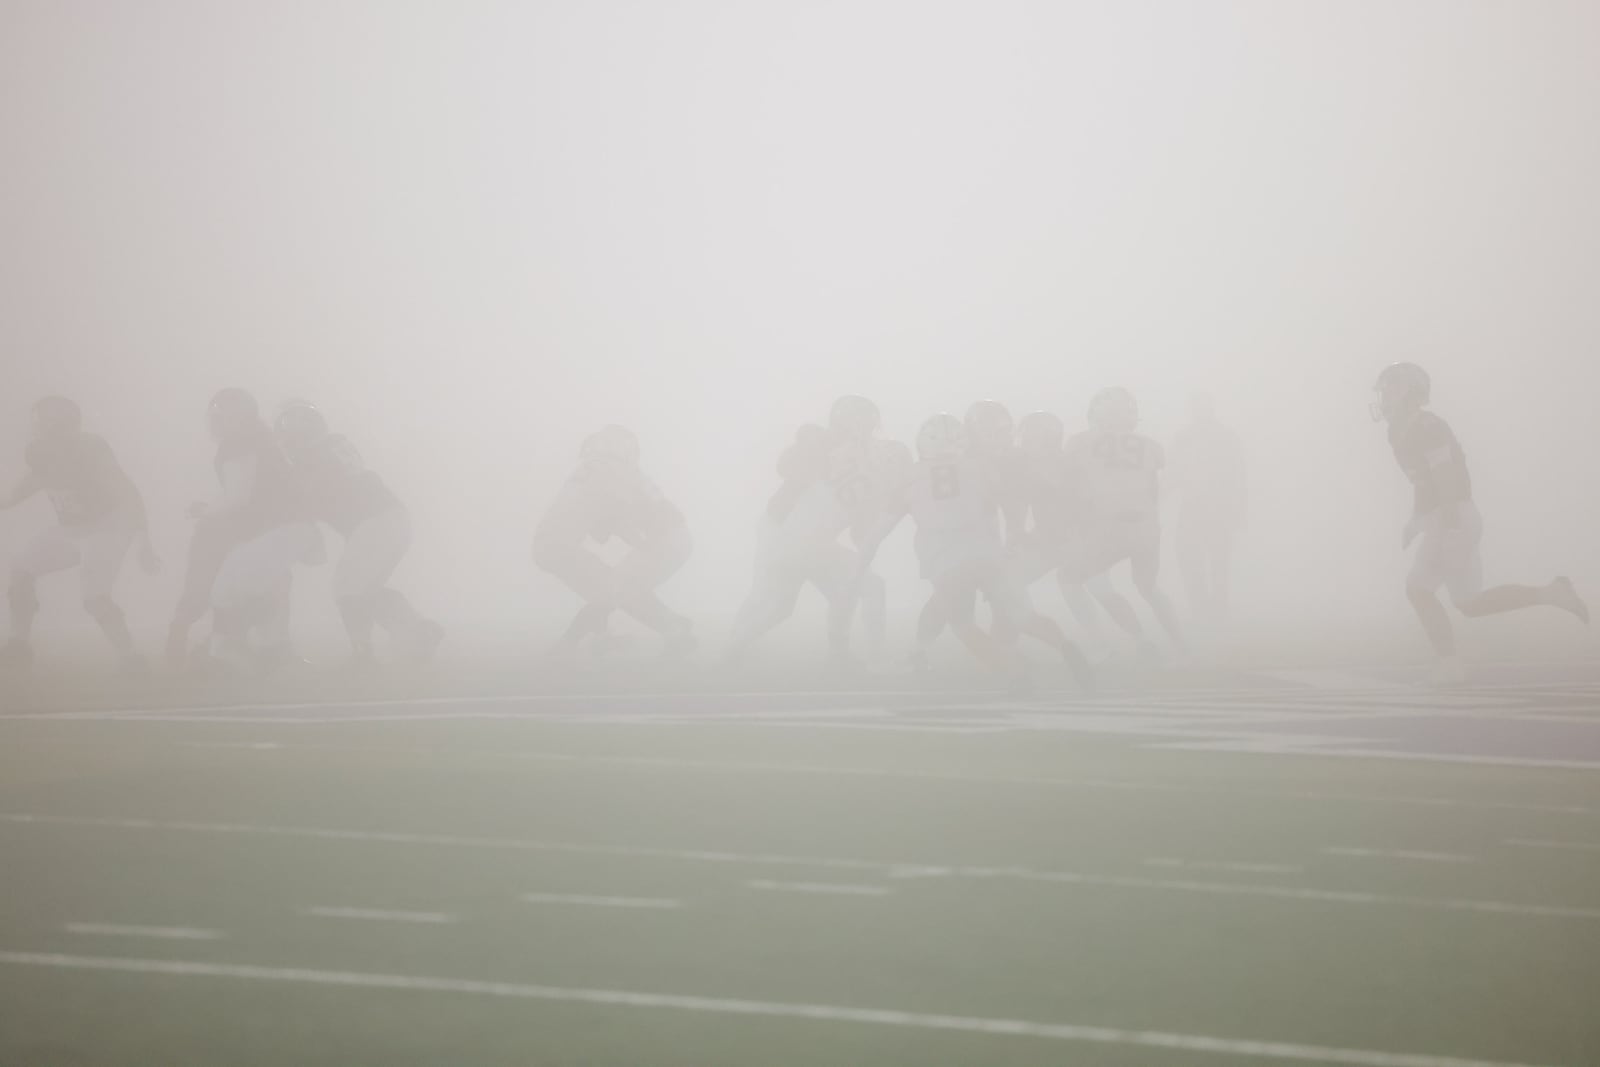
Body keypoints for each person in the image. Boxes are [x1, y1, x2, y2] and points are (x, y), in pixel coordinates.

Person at [1372, 362, 1587, 684]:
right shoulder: (1397, 431)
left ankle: (1450, 665)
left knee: (1417, 589)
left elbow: (1445, 474)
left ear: (1406, 391)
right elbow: (1423, 482)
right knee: (1469, 604)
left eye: (1388, 388)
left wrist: (1446, 520)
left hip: (1454, 516)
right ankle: (1550, 593)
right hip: (1449, 517)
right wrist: (1417, 521)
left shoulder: (1427, 426)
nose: (1383, 395)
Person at [857, 413, 1091, 688]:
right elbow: (1005, 501)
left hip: (946, 561)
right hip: (988, 555)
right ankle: (1066, 648)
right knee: (1024, 616)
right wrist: (1013, 533)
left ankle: (1015, 673)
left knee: (964, 625)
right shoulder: (981, 469)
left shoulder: (909, 479)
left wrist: (861, 564)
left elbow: (879, 532)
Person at [726, 395, 903, 665]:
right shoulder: (824, 446)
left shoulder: (865, 474)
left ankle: (735, 646)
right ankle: (865, 658)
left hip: (805, 540)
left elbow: (858, 531)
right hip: (789, 534)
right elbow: (787, 468)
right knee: (777, 598)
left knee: (782, 604)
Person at [275, 401, 443, 668]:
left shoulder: (310, 458)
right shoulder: (332, 446)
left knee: (347, 588)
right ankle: (416, 632)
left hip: (373, 520)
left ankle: (363, 653)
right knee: (365, 588)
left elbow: (307, 501)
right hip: (391, 517)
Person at [0, 396, 159, 672]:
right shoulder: (42, 452)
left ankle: (130, 655)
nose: (36, 430)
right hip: (70, 530)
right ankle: (18, 643)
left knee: (94, 597)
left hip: (108, 528)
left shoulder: (91, 452)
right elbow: (23, 488)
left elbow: (128, 493)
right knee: (21, 566)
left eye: (43, 424)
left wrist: (144, 540)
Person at [171, 388, 320, 673]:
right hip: (290, 528)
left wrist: (205, 511)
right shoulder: (262, 441)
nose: (219, 423)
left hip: (280, 528)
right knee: (272, 585)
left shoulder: (240, 443)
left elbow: (238, 497)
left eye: (223, 416)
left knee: (226, 591)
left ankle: (223, 650)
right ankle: (273, 649)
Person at [533, 425, 694, 658]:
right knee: (614, 590)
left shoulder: (598, 471)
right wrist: (638, 542)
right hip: (561, 546)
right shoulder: (612, 472)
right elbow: (614, 522)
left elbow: (608, 525)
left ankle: (597, 638)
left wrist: (634, 539)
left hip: (551, 544)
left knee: (612, 590)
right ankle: (670, 626)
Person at [1059, 386, 1185, 658]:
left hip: (1108, 528)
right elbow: (1153, 492)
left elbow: (1070, 488)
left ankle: (1113, 644)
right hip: (1146, 528)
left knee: (1070, 577)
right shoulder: (1152, 447)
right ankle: (1181, 644)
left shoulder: (1079, 443)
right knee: (1148, 588)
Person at [1170, 391, 1247, 619]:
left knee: (1214, 558)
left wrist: (1238, 507)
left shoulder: (1222, 437)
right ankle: (1205, 606)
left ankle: (1210, 607)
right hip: (1201, 504)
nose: (1197, 411)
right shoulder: (1189, 436)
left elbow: (1238, 473)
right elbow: (1174, 469)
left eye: (1199, 407)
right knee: (1199, 556)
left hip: (1213, 504)